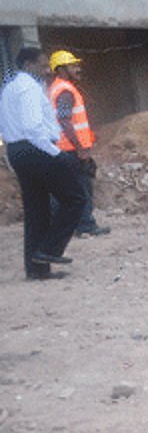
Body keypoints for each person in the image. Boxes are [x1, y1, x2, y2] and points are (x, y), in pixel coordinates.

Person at [0, 47, 86, 280]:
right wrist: (57, 154)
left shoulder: (10, 88)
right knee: (76, 198)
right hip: (36, 149)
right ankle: (49, 250)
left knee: (37, 209)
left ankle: (36, 268)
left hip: (17, 150)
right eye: (42, 65)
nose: (47, 70)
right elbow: (33, 127)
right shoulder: (28, 88)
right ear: (28, 65)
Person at [48, 50, 110, 236]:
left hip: (63, 148)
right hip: (71, 149)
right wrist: (81, 149)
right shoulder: (65, 91)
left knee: (65, 190)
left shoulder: (56, 88)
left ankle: (62, 226)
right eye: (73, 65)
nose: (78, 69)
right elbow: (65, 120)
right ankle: (85, 226)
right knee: (82, 189)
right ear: (61, 69)